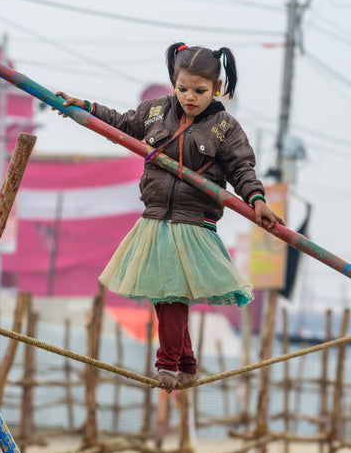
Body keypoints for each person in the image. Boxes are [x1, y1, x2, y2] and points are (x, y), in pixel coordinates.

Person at [54, 42, 284, 392]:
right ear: (173, 82)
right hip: (156, 217)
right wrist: (84, 107)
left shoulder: (225, 127)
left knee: (173, 296)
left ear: (217, 89)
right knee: (166, 295)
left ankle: (168, 364)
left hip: (194, 222)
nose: (190, 97)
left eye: (200, 90)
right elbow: (121, 123)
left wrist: (257, 200)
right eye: (183, 88)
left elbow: (242, 169)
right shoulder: (155, 112)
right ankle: (186, 364)